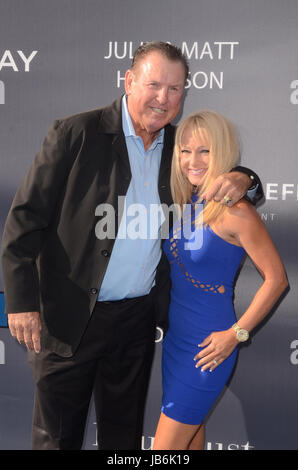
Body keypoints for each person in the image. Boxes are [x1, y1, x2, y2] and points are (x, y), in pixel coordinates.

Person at [1, 42, 263, 450]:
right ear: (128, 81)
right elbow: (24, 220)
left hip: (136, 324)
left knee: (122, 441)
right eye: (154, 84)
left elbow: (222, 168)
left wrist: (246, 177)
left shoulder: (179, 149)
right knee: (56, 440)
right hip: (70, 317)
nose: (164, 98)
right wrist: (19, 302)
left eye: (175, 89)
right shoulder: (76, 133)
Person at [152, 110, 288, 450]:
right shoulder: (189, 200)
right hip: (176, 343)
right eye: (185, 150)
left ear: (222, 153)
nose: (192, 160)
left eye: (204, 151)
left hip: (208, 348)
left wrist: (236, 334)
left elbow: (277, 279)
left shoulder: (237, 211)